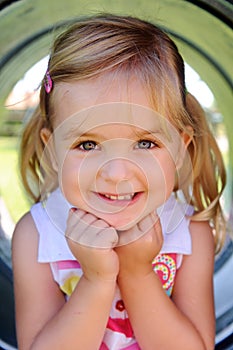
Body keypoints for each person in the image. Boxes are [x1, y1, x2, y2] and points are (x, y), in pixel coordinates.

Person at [12, 14, 226, 350]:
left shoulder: (189, 233)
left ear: (180, 148)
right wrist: (96, 280)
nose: (116, 174)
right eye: (87, 144)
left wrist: (137, 272)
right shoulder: (37, 236)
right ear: (52, 151)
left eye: (145, 143)